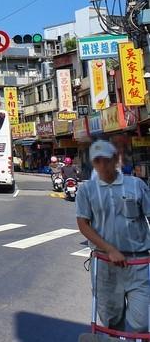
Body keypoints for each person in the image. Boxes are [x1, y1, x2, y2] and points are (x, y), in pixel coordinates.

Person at [76, 140, 150, 334]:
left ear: (115, 159)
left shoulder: (136, 185)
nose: (102, 165)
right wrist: (110, 249)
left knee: (142, 322)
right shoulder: (86, 190)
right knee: (111, 321)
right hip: (105, 264)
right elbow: (83, 224)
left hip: (138, 262)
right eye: (97, 161)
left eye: (106, 160)